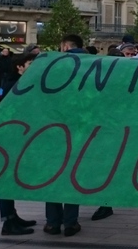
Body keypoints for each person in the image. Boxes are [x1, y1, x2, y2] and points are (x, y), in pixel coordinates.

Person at [46, 34, 86, 237]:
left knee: (52, 176)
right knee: (72, 175)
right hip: (81, 130)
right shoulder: (94, 65)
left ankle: (53, 223)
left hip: (53, 129)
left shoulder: (53, 64)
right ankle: (70, 222)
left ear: (64, 46)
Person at [0, 53, 39, 235]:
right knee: (6, 179)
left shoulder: (23, 83)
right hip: (10, 138)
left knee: (11, 178)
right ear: (19, 67)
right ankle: (7, 221)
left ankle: (12, 216)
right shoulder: (12, 86)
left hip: (19, 137)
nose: (34, 66)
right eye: (31, 63)